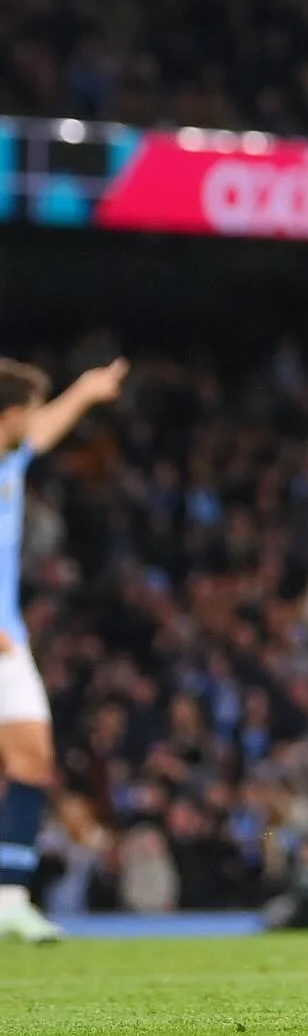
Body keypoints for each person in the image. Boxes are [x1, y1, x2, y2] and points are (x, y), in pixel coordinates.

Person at [0, 355, 128, 941]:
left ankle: (10, 897)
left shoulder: (12, 455)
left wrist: (85, 389)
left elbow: (46, 429)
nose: (33, 422)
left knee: (33, 760)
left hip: (9, 639)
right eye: (26, 411)